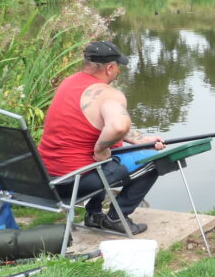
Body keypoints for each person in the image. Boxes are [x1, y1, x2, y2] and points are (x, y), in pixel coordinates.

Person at [38, 41, 165, 234]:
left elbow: (101, 126)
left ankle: (94, 215)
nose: (118, 73)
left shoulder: (68, 83)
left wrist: (141, 140)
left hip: (47, 179)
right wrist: (100, 149)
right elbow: (118, 125)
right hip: (75, 183)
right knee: (156, 161)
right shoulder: (109, 94)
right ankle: (116, 218)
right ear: (110, 68)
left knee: (110, 151)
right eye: (117, 68)